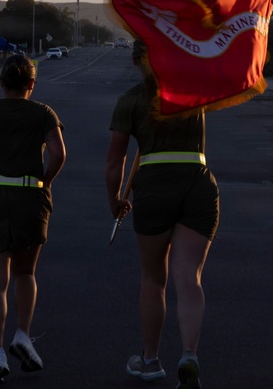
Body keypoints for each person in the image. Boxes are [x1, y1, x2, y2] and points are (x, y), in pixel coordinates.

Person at [104, 39, 217, 389]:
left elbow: (115, 161)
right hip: (198, 181)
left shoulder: (130, 100)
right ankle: (189, 354)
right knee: (190, 277)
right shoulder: (192, 89)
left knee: (154, 279)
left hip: (154, 185)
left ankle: (151, 359)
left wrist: (115, 200)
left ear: (136, 61)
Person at [0, 54, 66, 384]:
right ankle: (22, 334)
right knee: (25, 272)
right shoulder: (43, 113)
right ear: (31, 83)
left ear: (1, 81)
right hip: (29, 197)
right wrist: (45, 180)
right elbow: (59, 154)